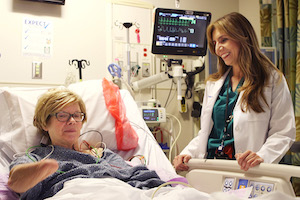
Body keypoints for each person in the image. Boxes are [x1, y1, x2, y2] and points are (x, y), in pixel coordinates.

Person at [173, 12, 295, 172]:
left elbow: (283, 132)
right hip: (212, 167)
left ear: (243, 38)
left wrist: (262, 156)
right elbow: (207, 132)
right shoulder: (214, 83)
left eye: (224, 40)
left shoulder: (271, 80)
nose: (218, 48)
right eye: (215, 42)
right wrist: (187, 153)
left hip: (247, 170)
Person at [7, 88, 165, 200]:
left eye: (77, 115)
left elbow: (132, 175)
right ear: (44, 124)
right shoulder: (36, 158)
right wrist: (40, 170)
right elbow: (17, 183)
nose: (72, 121)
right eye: (62, 115)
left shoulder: (101, 154)